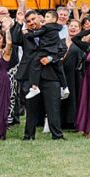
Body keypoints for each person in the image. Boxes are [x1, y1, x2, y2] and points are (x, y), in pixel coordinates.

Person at [12, 10, 65, 141]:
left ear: (40, 19)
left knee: (53, 107)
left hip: (50, 74)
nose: (31, 23)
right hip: (30, 75)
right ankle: (29, 135)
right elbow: (14, 39)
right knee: (31, 107)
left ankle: (57, 135)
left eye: (33, 19)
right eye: (28, 21)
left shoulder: (51, 32)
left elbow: (62, 49)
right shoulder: (25, 35)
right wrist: (18, 22)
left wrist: (51, 58)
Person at [22, 11, 69, 103]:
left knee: (35, 65)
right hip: (52, 51)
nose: (44, 18)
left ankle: (34, 87)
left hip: (47, 57)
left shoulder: (46, 27)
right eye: (28, 21)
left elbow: (63, 49)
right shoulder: (58, 28)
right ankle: (65, 87)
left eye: (47, 17)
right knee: (59, 70)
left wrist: (27, 34)